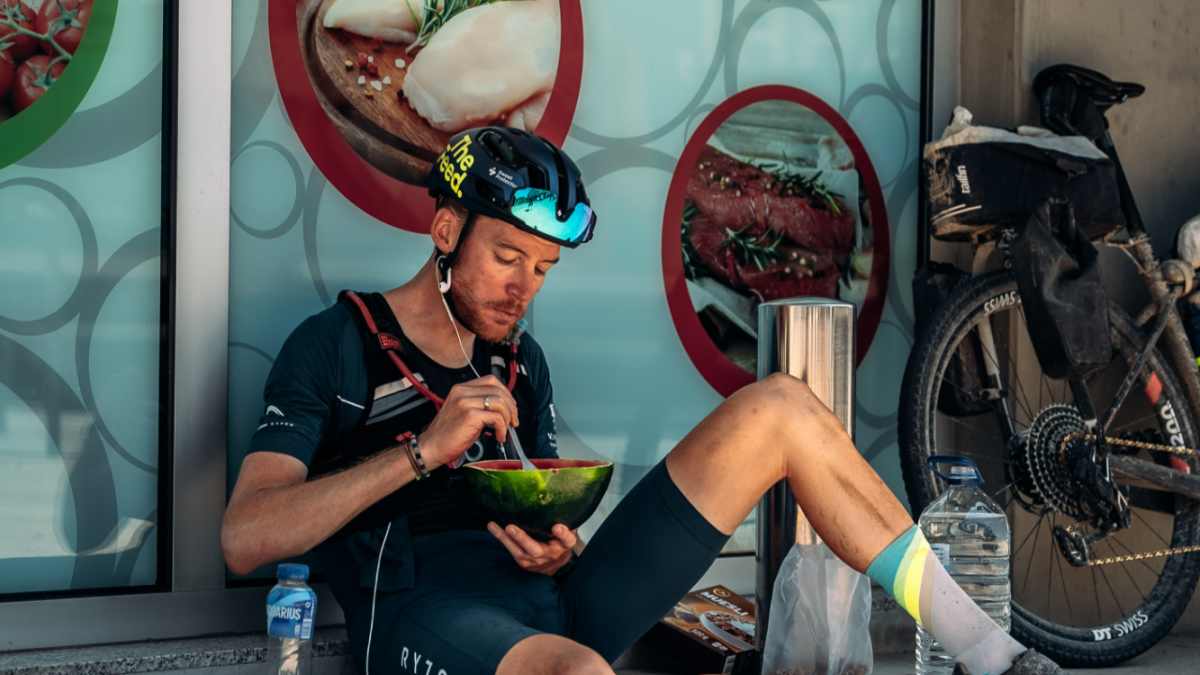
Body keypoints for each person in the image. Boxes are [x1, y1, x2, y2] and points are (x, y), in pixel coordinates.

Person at [221, 127, 1063, 675]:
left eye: (543, 269)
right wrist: (420, 452)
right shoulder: (338, 343)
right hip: (426, 608)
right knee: (580, 672)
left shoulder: (520, 362)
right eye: (507, 258)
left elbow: (544, 512)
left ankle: (994, 653)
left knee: (781, 406)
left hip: (555, 597)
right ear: (446, 231)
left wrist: (557, 544)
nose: (524, 288)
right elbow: (245, 534)